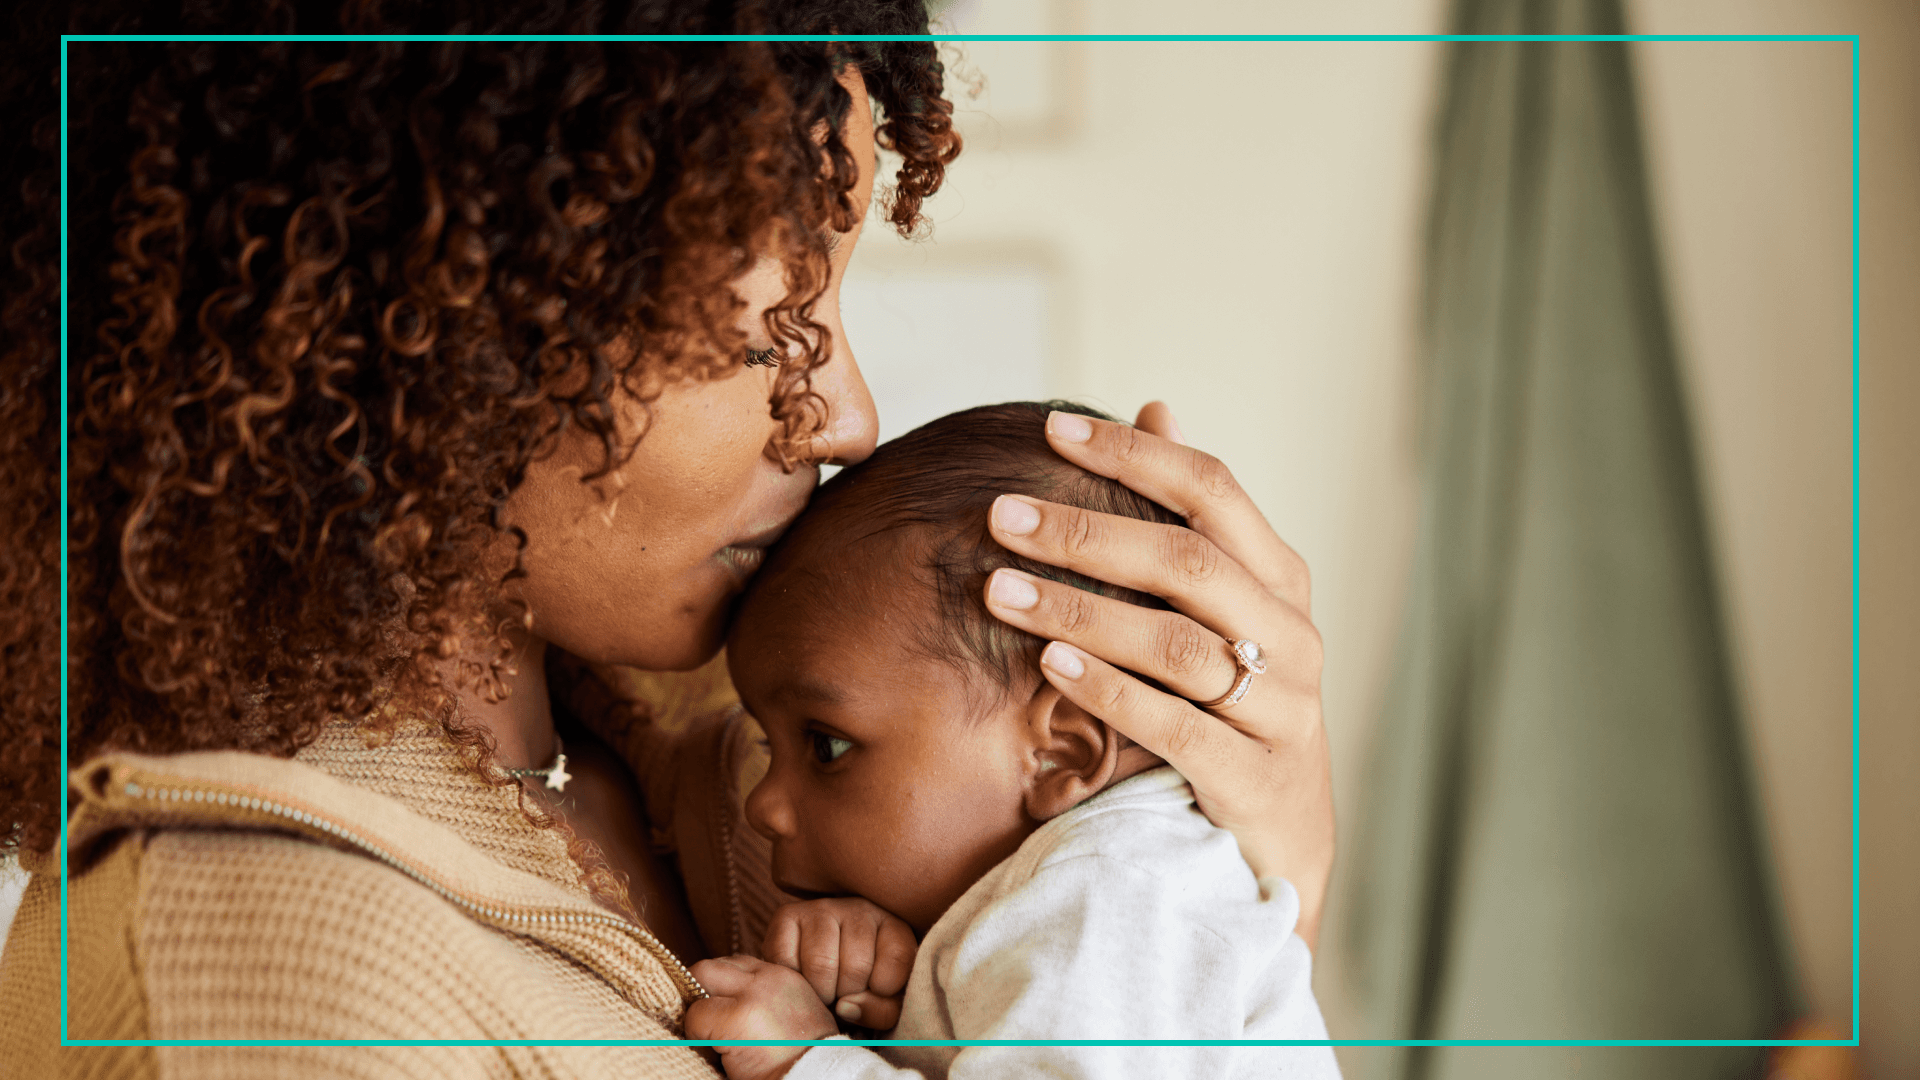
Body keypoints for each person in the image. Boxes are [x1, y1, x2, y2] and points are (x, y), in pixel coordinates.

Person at [0, 1, 1335, 1076]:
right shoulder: (270, 990)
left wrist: (1232, 870)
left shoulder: (734, 748)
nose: (848, 416)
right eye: (767, 336)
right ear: (441, 314)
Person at [685, 402, 1343, 1080]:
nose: (763, 805)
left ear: (1061, 752)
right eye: (770, 747)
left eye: (826, 747)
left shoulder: (1113, 894)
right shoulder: (1093, 887)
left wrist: (805, 1062)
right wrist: (900, 972)